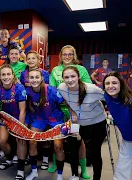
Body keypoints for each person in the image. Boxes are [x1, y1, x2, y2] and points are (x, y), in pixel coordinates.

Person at [48, 45, 91, 179]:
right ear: (60, 56)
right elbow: (52, 90)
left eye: (70, 54)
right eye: (64, 54)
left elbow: (88, 88)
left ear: (74, 56)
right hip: (58, 112)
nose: (67, 57)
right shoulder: (55, 70)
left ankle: (83, 169)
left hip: (76, 112)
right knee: (57, 139)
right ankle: (55, 163)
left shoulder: (81, 69)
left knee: (78, 141)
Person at [58, 66, 107, 180]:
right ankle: (74, 174)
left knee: (94, 152)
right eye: (66, 77)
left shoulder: (92, 89)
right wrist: (71, 111)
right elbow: (65, 100)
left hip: (96, 124)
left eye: (73, 76)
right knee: (72, 148)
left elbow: (108, 98)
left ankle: (97, 178)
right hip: (76, 123)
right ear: (63, 79)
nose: (70, 80)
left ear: (78, 76)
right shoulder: (62, 88)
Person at [25, 68, 65, 180]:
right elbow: (26, 105)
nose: (34, 80)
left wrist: (73, 118)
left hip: (55, 119)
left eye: (37, 77)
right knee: (31, 142)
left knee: (58, 146)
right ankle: (33, 172)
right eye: (31, 77)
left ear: (42, 78)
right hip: (40, 118)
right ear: (28, 79)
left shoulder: (51, 90)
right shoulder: (27, 91)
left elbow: (65, 102)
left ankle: (60, 176)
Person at [0, 64, 26, 179]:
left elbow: (22, 110)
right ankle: (10, 159)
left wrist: (20, 128)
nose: (6, 77)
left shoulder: (19, 88)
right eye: (3, 75)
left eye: (8, 74)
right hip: (6, 118)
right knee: (1, 141)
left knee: (20, 141)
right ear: (0, 77)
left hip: (19, 117)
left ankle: (20, 170)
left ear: (13, 75)